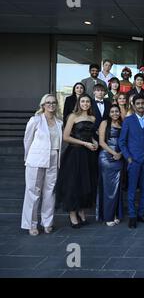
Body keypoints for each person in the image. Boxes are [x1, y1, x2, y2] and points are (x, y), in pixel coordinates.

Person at [55, 94, 98, 228]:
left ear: (90, 104)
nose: (85, 103)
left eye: (87, 101)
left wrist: (94, 142)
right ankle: (72, 214)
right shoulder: (73, 116)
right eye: (83, 101)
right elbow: (66, 137)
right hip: (74, 153)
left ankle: (81, 210)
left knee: (85, 183)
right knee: (73, 183)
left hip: (88, 155)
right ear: (79, 103)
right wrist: (84, 144)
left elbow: (91, 136)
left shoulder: (93, 118)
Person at [22, 94, 62, 236]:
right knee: (33, 191)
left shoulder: (59, 122)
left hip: (53, 157)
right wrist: (28, 158)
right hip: (36, 159)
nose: (51, 105)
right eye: (48, 102)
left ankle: (47, 222)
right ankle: (31, 224)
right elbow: (27, 140)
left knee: (50, 192)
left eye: (54, 102)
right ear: (43, 105)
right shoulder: (36, 120)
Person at [118, 94, 144, 228]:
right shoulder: (128, 120)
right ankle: (132, 216)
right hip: (133, 160)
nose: (140, 105)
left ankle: (141, 214)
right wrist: (128, 158)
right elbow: (122, 142)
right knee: (132, 189)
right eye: (138, 103)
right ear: (133, 105)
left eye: (142, 103)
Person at [97, 105, 123, 226]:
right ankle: (108, 216)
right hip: (107, 157)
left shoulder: (123, 124)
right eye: (112, 111)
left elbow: (126, 141)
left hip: (119, 157)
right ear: (109, 113)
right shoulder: (104, 123)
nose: (114, 113)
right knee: (108, 188)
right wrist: (114, 153)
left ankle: (115, 213)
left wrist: (121, 154)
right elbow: (101, 142)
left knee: (117, 188)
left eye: (116, 111)